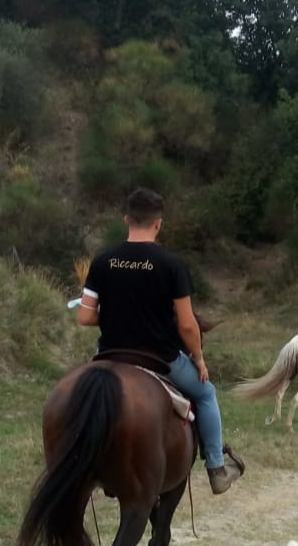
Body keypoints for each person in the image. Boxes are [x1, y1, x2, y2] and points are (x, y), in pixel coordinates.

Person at [77, 188, 244, 494]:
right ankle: (217, 470)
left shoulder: (102, 262)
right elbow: (187, 325)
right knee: (206, 393)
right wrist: (198, 358)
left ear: (126, 219)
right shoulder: (171, 264)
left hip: (110, 354)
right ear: (158, 224)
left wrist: (118, 315)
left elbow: (85, 317)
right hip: (159, 358)